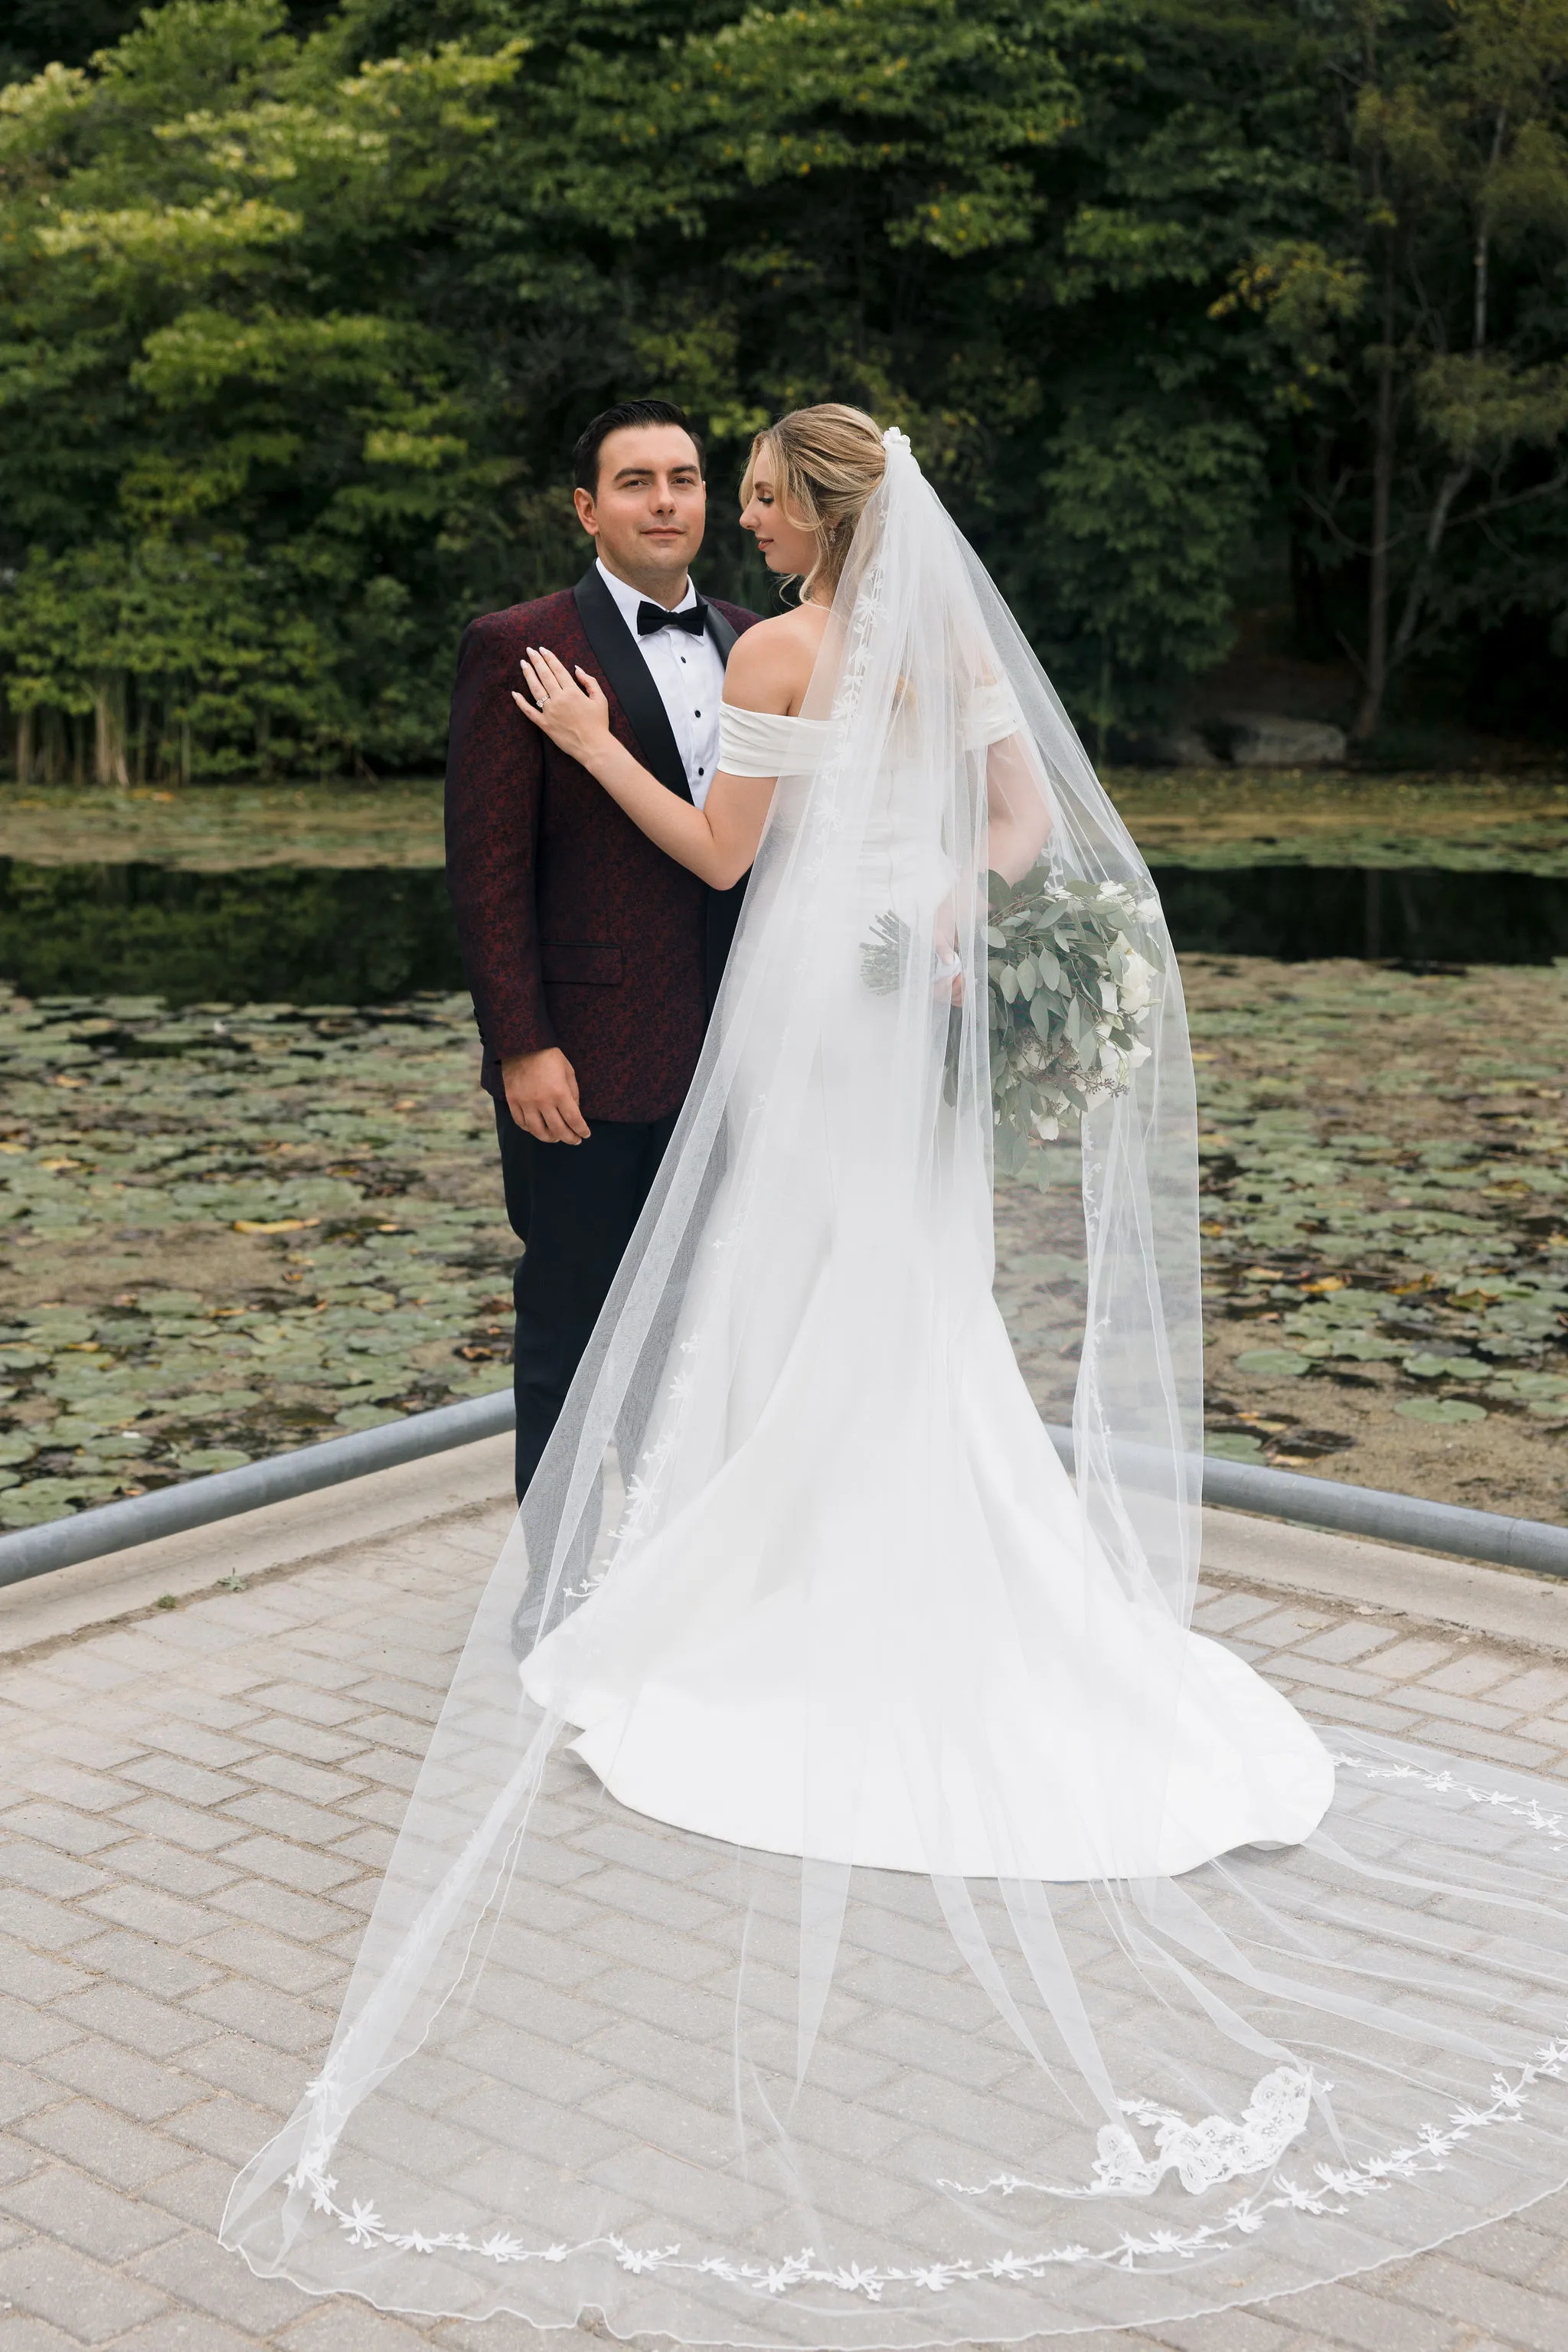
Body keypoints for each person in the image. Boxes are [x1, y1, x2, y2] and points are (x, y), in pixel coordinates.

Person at [226, 410, 1568, 2344]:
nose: (737, 522)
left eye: (754, 496)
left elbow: (712, 848)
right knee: (915, 1312)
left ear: (803, 511)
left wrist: (599, 744)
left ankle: (773, 1583)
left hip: (802, 1035)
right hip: (906, 1031)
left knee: (789, 1306)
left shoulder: (774, 654)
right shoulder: (950, 649)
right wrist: (950, 904)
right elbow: (1018, 831)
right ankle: (915, 1567)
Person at [444, 399, 756, 1502]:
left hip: (736, 1056)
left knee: (701, 1328)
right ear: (589, 507)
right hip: (585, 1060)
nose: (665, 500)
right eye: (636, 481)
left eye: (684, 478)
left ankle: (668, 1575)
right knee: (569, 1331)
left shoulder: (748, 636)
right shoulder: (516, 643)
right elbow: (487, 873)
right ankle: (552, 1600)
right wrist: (523, 1045)